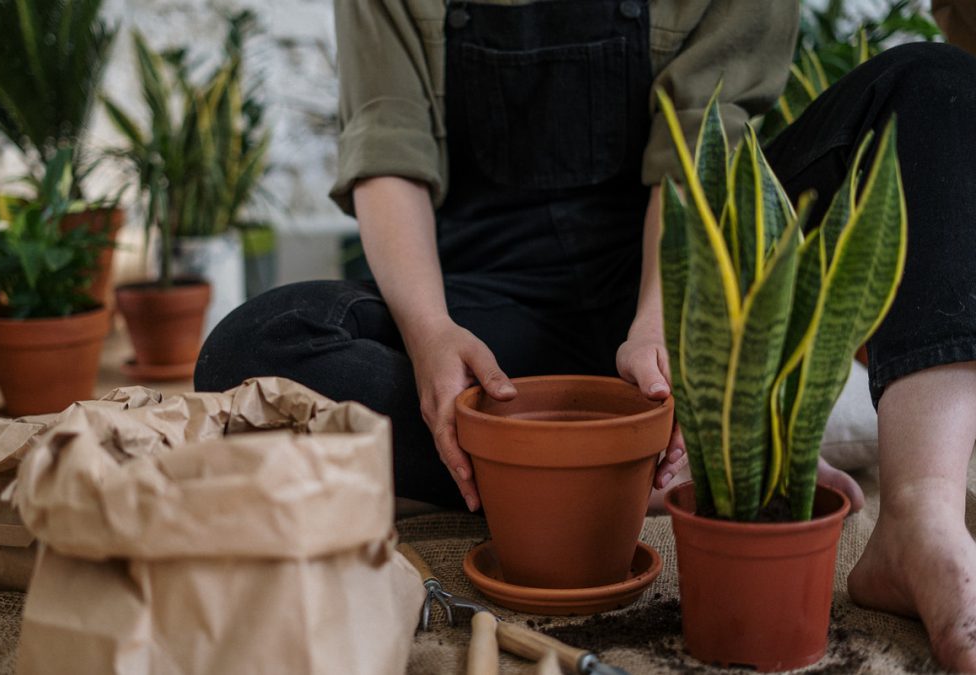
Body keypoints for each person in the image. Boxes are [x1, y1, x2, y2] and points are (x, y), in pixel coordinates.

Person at [195, 2, 976, 669]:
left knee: (936, 85)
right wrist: (431, 331)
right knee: (250, 348)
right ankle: (597, 457)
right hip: (486, 324)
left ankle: (919, 518)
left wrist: (661, 322)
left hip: (690, 277)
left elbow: (705, 137)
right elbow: (388, 144)